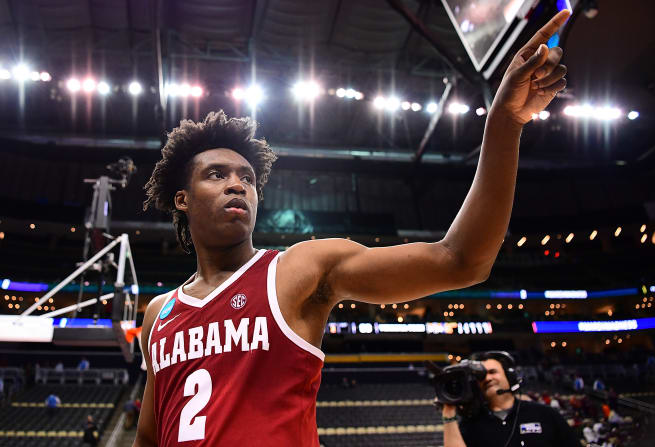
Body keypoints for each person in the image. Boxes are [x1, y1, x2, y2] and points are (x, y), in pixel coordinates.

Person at [134, 10, 572, 447]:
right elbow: (150, 440)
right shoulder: (159, 314)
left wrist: (506, 123)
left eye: (247, 177)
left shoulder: (299, 269)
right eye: (216, 175)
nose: (236, 184)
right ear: (181, 199)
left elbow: (461, 261)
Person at [442, 352, 580, 447]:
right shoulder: (470, 425)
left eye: (492, 372)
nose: (487, 378)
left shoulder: (545, 415)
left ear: (510, 376)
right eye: (481, 376)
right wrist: (448, 412)